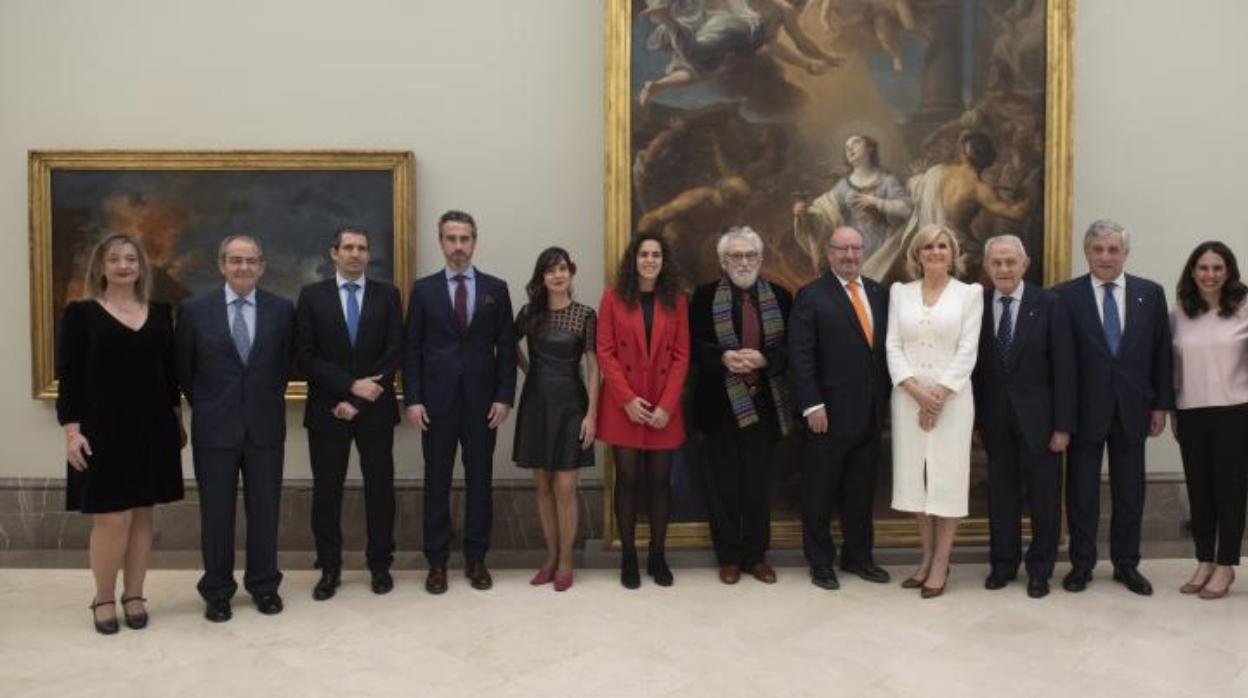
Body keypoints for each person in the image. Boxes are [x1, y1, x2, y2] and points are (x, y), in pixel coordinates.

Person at [57, 234, 185, 634]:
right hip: (102, 430)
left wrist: (177, 419)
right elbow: (70, 379)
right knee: (113, 519)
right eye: (114, 259)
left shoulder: (162, 313)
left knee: (143, 515)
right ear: (100, 267)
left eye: (131, 258)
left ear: (141, 267)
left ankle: (134, 595)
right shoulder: (81, 314)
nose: (124, 265)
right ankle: (103, 597)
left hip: (154, 427)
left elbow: (169, 376)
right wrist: (72, 432)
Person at [176, 234, 295, 622]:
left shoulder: (281, 310)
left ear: (262, 266)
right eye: (235, 260)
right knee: (216, 514)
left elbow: (287, 365)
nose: (243, 267)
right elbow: (185, 371)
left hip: (264, 428)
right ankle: (217, 591)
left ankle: (264, 587)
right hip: (215, 429)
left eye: (251, 261)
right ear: (221, 264)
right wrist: (210, 405)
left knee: (265, 511)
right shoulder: (195, 311)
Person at [1054, 219, 1173, 596]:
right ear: (1086, 252)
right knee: (1082, 493)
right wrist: (1062, 416)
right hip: (1084, 412)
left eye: (1113, 249)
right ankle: (1082, 565)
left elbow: (1161, 354)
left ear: (1125, 253)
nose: (1105, 257)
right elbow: (1059, 362)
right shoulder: (1064, 296)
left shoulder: (1150, 294)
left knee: (1129, 493)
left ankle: (1127, 565)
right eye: (1097, 249)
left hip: (1132, 409)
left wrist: (1161, 406)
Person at [403, 210, 517, 595]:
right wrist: (413, 399)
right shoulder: (423, 290)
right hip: (435, 405)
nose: (458, 246)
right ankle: (436, 563)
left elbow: (507, 349)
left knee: (479, 481)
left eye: (464, 239)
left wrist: (504, 396)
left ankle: (476, 559)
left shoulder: (495, 289)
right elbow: (412, 349)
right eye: (451, 239)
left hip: (483, 404)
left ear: (474, 241)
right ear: (441, 242)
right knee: (436, 481)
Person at [295, 226, 402, 600]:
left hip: (374, 411)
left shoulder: (388, 295)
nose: (355, 254)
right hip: (328, 411)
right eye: (348, 248)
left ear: (368, 255)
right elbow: (305, 355)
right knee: (327, 492)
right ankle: (329, 567)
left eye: (362, 248)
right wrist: (348, 387)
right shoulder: (312, 297)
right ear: (334, 253)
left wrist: (358, 399)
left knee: (380, 490)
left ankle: (379, 565)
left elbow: (394, 350)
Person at [788, 225, 892, 590]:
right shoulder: (811, 295)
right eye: (841, 249)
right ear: (828, 252)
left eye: (855, 249)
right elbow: (800, 356)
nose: (849, 256)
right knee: (819, 493)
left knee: (861, 492)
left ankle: (858, 557)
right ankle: (820, 563)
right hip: (826, 415)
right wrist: (812, 404)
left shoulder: (879, 294)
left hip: (870, 413)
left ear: (863, 252)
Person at [971, 235, 1075, 599]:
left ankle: (1040, 570)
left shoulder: (1049, 304)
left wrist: (1063, 426)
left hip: (1042, 424)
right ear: (986, 267)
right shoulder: (977, 305)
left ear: (1024, 264)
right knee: (1001, 496)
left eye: (1010, 262)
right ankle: (1002, 565)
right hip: (995, 421)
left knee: (1045, 499)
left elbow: (1065, 369)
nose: (1003, 269)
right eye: (996, 262)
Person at [690, 227, 793, 585]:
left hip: (765, 406)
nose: (744, 262)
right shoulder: (702, 298)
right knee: (724, 486)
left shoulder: (780, 297)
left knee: (757, 485)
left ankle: (756, 556)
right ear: (723, 261)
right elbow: (692, 346)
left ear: (760, 260)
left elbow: (792, 347)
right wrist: (723, 357)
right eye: (736, 256)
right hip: (719, 408)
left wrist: (765, 359)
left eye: (751, 255)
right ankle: (729, 557)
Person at [885, 223, 983, 598]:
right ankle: (925, 558)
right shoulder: (900, 293)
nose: (936, 252)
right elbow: (892, 346)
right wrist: (915, 391)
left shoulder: (969, 294)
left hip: (953, 401)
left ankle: (942, 561)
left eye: (943, 245)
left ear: (952, 253)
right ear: (917, 254)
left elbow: (967, 350)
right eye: (928, 247)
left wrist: (938, 396)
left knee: (947, 479)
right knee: (915, 480)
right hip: (907, 397)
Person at [597, 232, 690, 589]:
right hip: (626, 404)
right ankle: (629, 557)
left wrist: (666, 405)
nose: (649, 260)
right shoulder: (613, 298)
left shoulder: (676, 300)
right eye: (643, 254)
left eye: (656, 254)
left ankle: (658, 554)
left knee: (659, 482)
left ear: (663, 261)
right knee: (628, 480)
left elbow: (682, 356)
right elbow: (605, 352)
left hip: (663, 404)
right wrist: (627, 400)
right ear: (633, 260)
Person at [513, 247, 600, 592]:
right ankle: (550, 558)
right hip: (536, 405)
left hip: (571, 407)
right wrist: (529, 370)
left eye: (563, 268)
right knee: (544, 487)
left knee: (566, 488)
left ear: (572, 272)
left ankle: (566, 561)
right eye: (550, 270)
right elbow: (506, 344)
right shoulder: (528, 313)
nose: (558, 275)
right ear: (542, 278)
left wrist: (592, 415)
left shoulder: (585, 315)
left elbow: (595, 368)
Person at [1170, 241, 1248, 599]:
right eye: (1203, 268)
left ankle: (1227, 565)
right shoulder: (1181, 312)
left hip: (1235, 414)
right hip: (1191, 414)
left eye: (1218, 268)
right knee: (1199, 491)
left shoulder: (1244, 308)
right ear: (1192, 272)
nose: (1210, 275)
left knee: (1229, 492)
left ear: (1229, 271)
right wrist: (1173, 410)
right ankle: (1204, 560)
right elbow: (1173, 367)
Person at [792, 135, 912, 270]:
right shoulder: (843, 186)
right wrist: (804, 213)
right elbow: (824, 213)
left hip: (884, 254)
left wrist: (877, 202)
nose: (850, 148)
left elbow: (906, 210)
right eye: (847, 147)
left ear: (870, 148)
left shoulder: (887, 181)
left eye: (856, 143)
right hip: (853, 253)